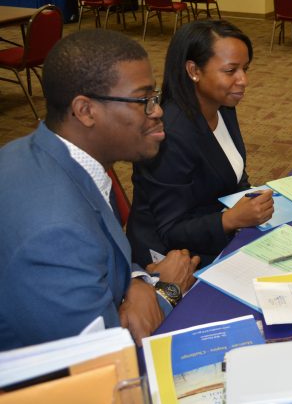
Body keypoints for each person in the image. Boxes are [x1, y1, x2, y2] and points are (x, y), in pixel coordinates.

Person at [0, 30, 200, 351]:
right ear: (86, 111)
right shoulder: (55, 232)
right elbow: (98, 360)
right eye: (143, 100)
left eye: (156, 97)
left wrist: (136, 283)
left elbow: (104, 249)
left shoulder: (42, 152)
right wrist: (167, 290)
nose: (158, 111)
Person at [127, 20, 274, 268]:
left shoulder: (223, 106)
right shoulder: (169, 134)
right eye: (230, 71)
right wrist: (230, 219)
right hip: (171, 257)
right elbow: (171, 231)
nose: (243, 80)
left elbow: (228, 171)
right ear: (194, 70)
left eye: (245, 69)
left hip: (215, 229)